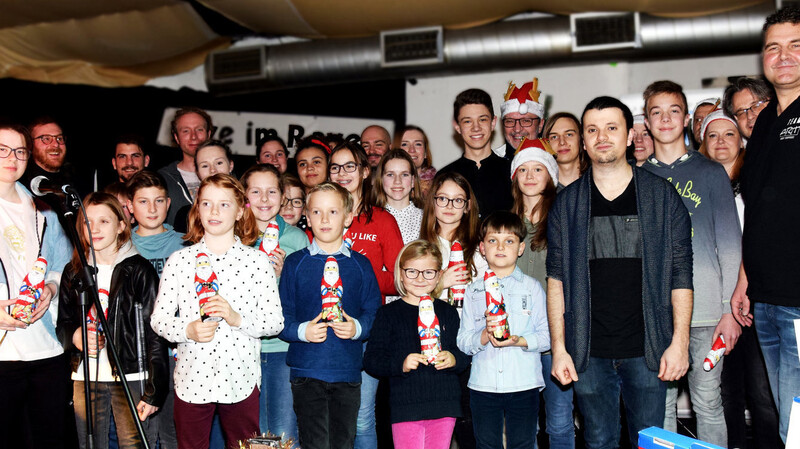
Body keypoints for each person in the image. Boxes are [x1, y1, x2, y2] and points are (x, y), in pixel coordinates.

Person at [547, 96, 693, 449]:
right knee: (598, 441)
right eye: (593, 130)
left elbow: (680, 274)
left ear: (629, 135)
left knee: (650, 442)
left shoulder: (662, 197)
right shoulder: (567, 205)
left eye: (612, 128)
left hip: (649, 349)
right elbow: (556, 281)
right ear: (583, 140)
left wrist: (680, 342)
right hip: (588, 352)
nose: (602, 137)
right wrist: (559, 348)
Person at [150, 173, 283, 449]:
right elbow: (159, 320)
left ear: (239, 211)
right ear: (197, 209)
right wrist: (188, 330)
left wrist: (237, 319)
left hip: (241, 379)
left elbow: (275, 322)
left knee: (248, 446)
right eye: (207, 203)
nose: (214, 211)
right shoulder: (179, 260)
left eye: (224, 205)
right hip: (191, 380)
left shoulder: (257, 262)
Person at [642, 81, 741, 447]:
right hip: (656, 316)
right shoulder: (637, 178)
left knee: (709, 404)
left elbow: (730, 246)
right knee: (660, 407)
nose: (665, 119)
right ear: (647, 122)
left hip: (708, 316)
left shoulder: (711, 173)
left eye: (673, 111)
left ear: (686, 119)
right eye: (656, 112)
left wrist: (729, 311)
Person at [732, 6, 800, 442]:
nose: (783, 56)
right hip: (766, 301)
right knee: (783, 415)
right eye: (773, 47)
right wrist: (743, 282)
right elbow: (754, 212)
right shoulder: (763, 125)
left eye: (796, 45)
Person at [57, 193, 169, 449]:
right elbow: (63, 322)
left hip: (131, 377)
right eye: (87, 222)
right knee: (90, 444)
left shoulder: (138, 270)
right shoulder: (74, 271)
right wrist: (75, 336)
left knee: (134, 444)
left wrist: (154, 389)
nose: (94, 229)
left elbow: (156, 333)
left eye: (104, 221)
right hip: (86, 377)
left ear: (121, 225)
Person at [699, 110, 781, 448]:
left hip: (756, 303)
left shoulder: (756, 182)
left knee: (763, 395)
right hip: (715, 306)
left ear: (741, 141)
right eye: (712, 135)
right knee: (725, 393)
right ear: (702, 143)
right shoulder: (697, 187)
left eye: (729, 134)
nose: (721, 141)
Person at [278, 182, 381, 449]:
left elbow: (373, 312)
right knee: (314, 443)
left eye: (333, 212)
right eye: (317, 212)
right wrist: (303, 331)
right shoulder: (295, 263)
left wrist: (357, 328)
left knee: (343, 442)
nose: (324, 219)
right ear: (307, 217)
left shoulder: (360, 264)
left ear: (348, 217)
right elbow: (281, 317)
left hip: (347, 371)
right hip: (306, 371)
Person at [0, 123, 73, 449]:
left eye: (19, 151)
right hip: (3, 351)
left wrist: (51, 289)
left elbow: (60, 263)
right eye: (2, 149)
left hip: (43, 346)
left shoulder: (42, 207)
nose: (12, 158)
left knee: (48, 437)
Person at [328, 141, 403, 449]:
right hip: (326, 330)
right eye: (335, 167)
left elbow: (401, 279)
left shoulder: (382, 220)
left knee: (361, 418)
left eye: (350, 166)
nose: (342, 173)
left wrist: (363, 274)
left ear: (365, 172)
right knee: (332, 416)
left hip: (368, 330)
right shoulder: (324, 215)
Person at [364, 240, 469, 449]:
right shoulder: (388, 314)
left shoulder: (448, 312)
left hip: (444, 404)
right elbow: (371, 361)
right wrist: (400, 364)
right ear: (401, 273)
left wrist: (454, 359)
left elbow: (465, 354)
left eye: (428, 272)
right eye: (412, 271)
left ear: (439, 275)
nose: (420, 278)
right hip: (405, 406)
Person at [457, 211, 550, 449]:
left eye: (509, 241)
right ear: (482, 247)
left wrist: (518, 340)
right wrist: (484, 336)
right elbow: (463, 340)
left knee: (523, 443)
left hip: (524, 383)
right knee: (487, 444)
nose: (500, 247)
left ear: (520, 248)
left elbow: (546, 337)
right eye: (492, 240)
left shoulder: (532, 288)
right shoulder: (473, 291)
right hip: (483, 384)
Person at [510, 138, 574, 449]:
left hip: (555, 337)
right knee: (523, 426)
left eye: (538, 168)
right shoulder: (505, 224)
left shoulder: (564, 219)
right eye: (523, 169)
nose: (531, 175)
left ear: (550, 175)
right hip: (516, 340)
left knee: (560, 423)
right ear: (514, 177)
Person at [241, 164, 309, 441]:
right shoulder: (234, 238)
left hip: (283, 348)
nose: (265, 199)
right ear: (245, 196)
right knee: (249, 434)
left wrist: (281, 277)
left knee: (283, 432)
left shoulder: (296, 238)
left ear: (283, 196)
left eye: (272, 192)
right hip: (243, 347)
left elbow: (306, 298)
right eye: (256, 192)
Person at [126, 170, 186, 448]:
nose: (152, 209)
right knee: (141, 435)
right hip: (138, 355)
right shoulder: (121, 247)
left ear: (169, 203)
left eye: (159, 200)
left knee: (176, 432)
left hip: (178, 353)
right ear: (129, 206)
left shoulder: (187, 244)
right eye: (143, 201)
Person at [440, 88, 513, 218]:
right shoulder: (444, 176)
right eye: (467, 121)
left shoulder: (513, 172)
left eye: (482, 119)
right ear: (457, 127)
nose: (476, 128)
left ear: (493, 122)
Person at [158, 107, 212, 231]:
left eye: (199, 130)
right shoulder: (163, 178)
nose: (193, 137)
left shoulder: (226, 174)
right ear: (176, 138)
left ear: (208, 134)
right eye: (186, 131)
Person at [20, 116, 86, 195]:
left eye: (59, 138)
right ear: (30, 144)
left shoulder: (81, 179)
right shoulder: (22, 186)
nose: (56, 144)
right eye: (46, 139)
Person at [374, 149, 424, 244]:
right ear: (381, 180)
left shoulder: (426, 218)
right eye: (390, 175)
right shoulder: (370, 218)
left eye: (404, 174)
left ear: (413, 181)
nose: (397, 181)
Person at [493, 78, 545, 160]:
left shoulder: (556, 162)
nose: (517, 129)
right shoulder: (491, 164)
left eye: (526, 121)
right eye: (510, 121)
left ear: (540, 125)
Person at [543, 112, 588, 190]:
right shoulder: (540, 188)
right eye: (554, 137)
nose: (562, 142)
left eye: (569, 135)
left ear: (581, 139)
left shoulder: (598, 182)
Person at [399, 125, 437, 197]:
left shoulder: (439, 186)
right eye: (404, 144)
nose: (412, 150)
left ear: (425, 152)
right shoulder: (383, 184)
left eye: (418, 144)